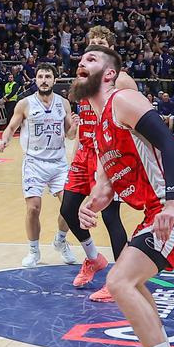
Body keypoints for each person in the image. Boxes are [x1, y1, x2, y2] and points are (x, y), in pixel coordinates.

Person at [72, 45, 174, 347]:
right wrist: (90, 205)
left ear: (109, 74)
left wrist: (173, 202)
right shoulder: (100, 132)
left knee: (119, 281)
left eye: (91, 60)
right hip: (155, 212)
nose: (81, 63)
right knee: (132, 281)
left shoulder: (121, 100)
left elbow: (169, 144)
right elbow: (105, 189)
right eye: (80, 60)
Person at [60, 25, 134, 303]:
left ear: (111, 49)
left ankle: (120, 281)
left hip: (107, 153)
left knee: (110, 216)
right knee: (68, 209)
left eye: (101, 42)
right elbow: (83, 120)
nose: (95, 45)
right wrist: (76, 150)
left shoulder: (123, 79)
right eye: (92, 43)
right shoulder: (83, 79)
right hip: (85, 152)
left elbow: (136, 117)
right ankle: (93, 259)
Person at [0, 63, 79, 268]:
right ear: (35, 80)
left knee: (69, 207)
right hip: (34, 162)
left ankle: (60, 240)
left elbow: (69, 135)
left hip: (58, 163)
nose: (44, 80)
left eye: (48, 76)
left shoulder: (63, 104)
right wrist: (4, 140)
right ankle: (33, 250)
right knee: (33, 208)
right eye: (40, 76)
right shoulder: (25, 104)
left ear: (54, 80)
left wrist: (74, 128)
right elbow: (12, 126)